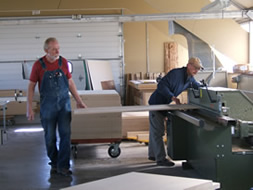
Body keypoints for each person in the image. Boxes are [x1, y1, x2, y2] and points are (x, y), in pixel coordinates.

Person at [26, 37, 87, 176]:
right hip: (48, 107)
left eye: (58, 48)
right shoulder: (38, 65)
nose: (57, 51)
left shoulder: (63, 62)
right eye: (54, 49)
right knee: (50, 137)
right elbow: (31, 86)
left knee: (65, 135)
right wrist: (29, 106)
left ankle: (63, 166)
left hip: (64, 105)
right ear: (46, 50)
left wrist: (78, 100)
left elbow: (70, 83)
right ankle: (54, 162)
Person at [148, 57, 203, 167]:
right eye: (195, 68)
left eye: (198, 69)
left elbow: (198, 86)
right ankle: (160, 159)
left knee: (154, 131)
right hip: (157, 103)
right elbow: (161, 86)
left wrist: (208, 89)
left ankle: (153, 155)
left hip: (165, 105)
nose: (196, 71)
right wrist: (173, 98)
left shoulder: (190, 78)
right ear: (189, 65)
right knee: (158, 132)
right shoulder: (176, 74)